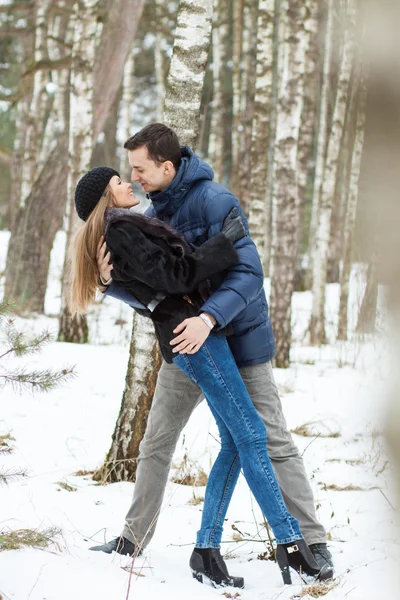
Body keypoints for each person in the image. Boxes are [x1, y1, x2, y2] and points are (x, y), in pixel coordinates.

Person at [87, 123, 334, 579]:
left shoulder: (215, 200)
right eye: (131, 172)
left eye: (139, 169)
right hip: (189, 345)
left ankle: (312, 540)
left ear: (166, 166)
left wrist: (207, 319)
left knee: (269, 440)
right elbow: (155, 291)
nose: (134, 177)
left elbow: (248, 274)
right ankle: (133, 537)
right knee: (157, 441)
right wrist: (111, 285)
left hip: (237, 339)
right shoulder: (148, 212)